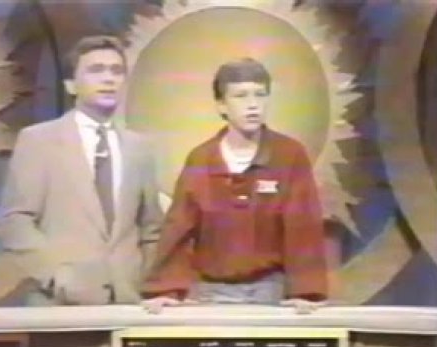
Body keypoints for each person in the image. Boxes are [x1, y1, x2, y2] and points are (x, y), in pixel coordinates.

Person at [0, 35, 163, 306]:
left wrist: (147, 283)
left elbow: (151, 229)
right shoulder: (39, 140)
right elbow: (14, 220)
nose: (109, 79)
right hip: (59, 302)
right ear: (71, 85)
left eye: (116, 71)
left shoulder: (139, 148)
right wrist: (54, 274)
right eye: (96, 70)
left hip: (128, 302)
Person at [141, 58, 329, 314]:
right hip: (209, 292)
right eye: (241, 96)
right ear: (222, 105)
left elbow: (303, 226)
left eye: (260, 95)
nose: (253, 105)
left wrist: (306, 293)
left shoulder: (289, 155)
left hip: (271, 291)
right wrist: (165, 290)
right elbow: (179, 227)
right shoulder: (201, 159)